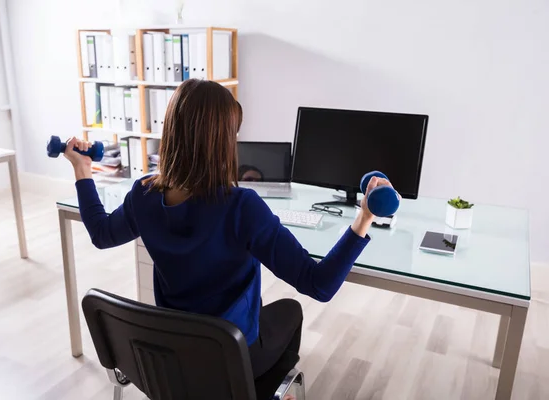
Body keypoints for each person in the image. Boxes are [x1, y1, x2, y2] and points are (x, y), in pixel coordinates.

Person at [65, 79, 390, 385]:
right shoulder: (240, 206)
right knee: (290, 311)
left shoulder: (143, 194)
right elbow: (319, 284)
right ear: (221, 142)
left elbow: (102, 233)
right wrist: (364, 218)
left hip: (171, 352)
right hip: (227, 355)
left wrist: (82, 171)